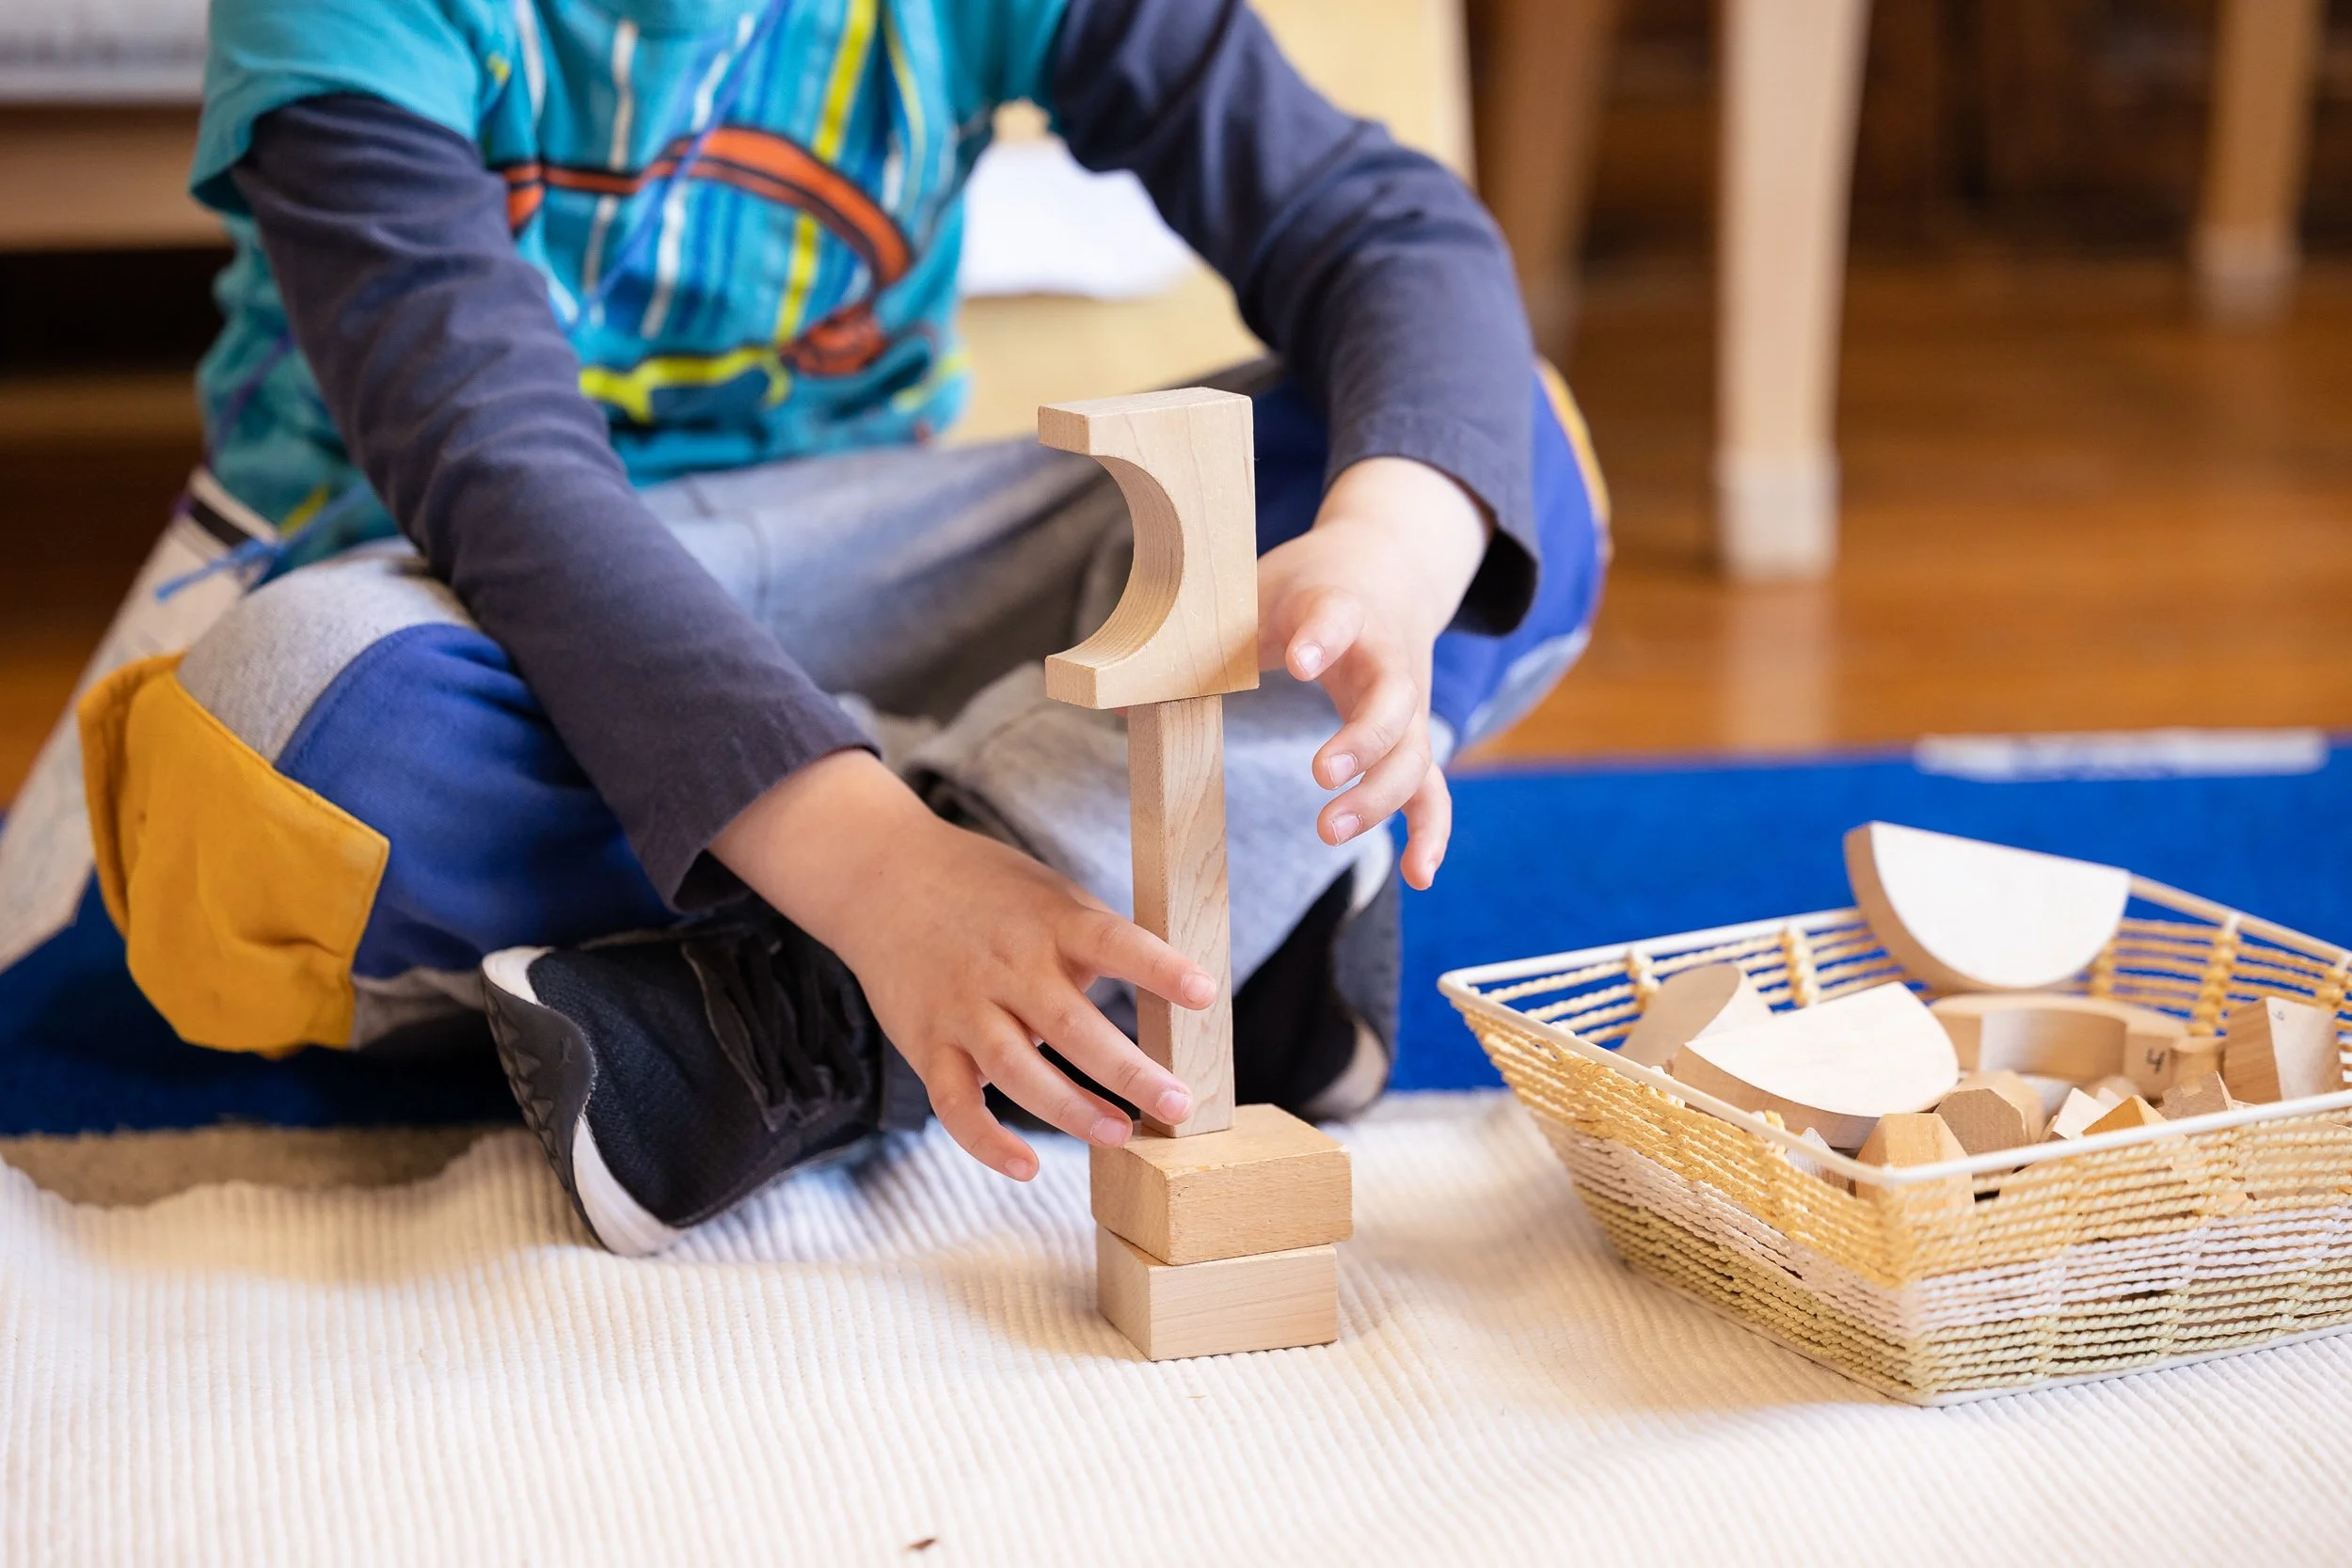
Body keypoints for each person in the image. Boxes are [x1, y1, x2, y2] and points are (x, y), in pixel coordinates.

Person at [73, 0, 1606, 1253]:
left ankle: (804, 1010)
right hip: (465, 591)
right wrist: (885, 873)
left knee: (1496, 457)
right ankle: (1163, 912)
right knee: (266, 731)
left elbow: (1381, 229)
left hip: (868, 566)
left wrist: (1385, 556)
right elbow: (501, 473)